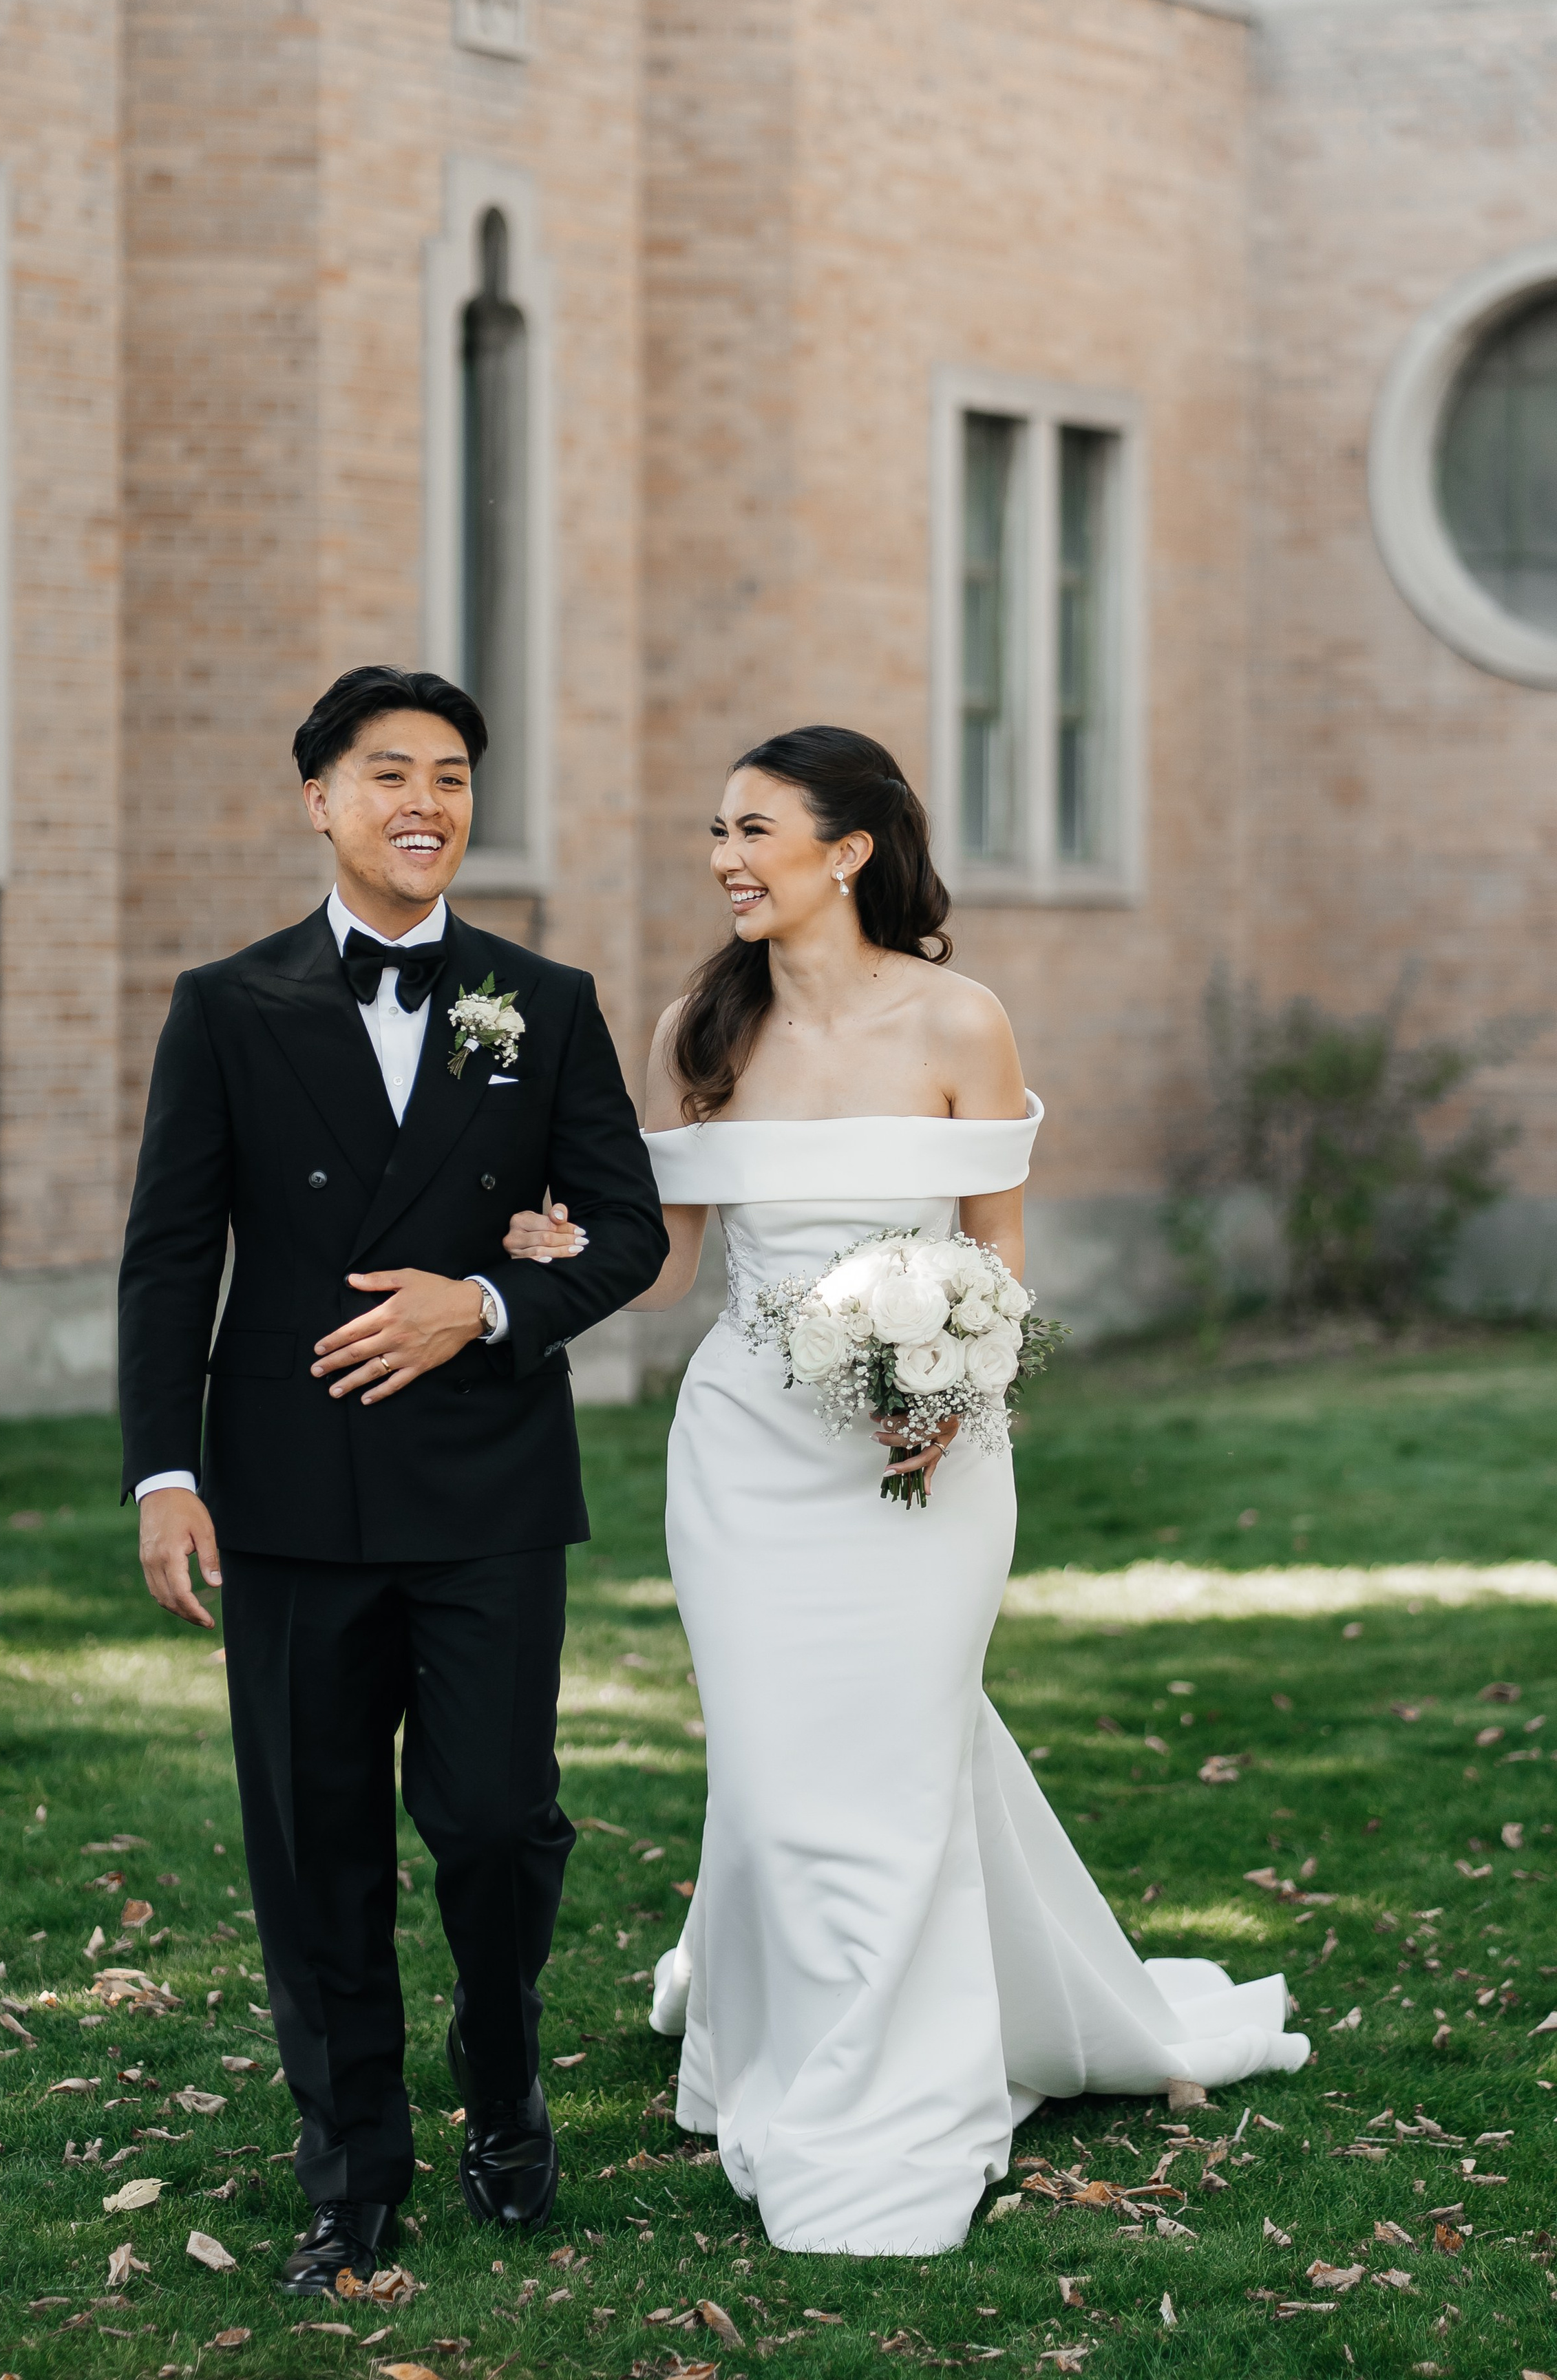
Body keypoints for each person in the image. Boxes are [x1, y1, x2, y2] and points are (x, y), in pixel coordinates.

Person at [503, 725, 1309, 2256]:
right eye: (715, 833)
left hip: (925, 1460)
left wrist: (953, 1390)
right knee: (771, 1763)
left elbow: (997, 1245)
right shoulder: (699, 1026)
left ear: (849, 850)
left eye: (755, 829)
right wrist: (559, 1258)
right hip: (745, 1451)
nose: (726, 857)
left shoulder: (959, 1019)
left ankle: (887, 2085)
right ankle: (778, 2040)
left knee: (883, 1759)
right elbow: (670, 1262)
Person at [118, 666, 668, 2293]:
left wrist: (484, 1305)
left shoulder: (539, 1000)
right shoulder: (227, 1005)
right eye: (386, 774)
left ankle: (501, 2085)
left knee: (494, 1821)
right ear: (319, 798)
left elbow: (627, 1231)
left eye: (449, 775)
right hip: (287, 1490)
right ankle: (351, 2167)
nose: (423, 801)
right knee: (316, 1837)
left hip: (488, 1482)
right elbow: (169, 1256)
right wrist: (164, 1468)